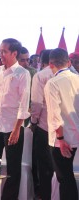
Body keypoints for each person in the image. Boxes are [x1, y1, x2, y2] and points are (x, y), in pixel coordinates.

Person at [0, 38, 31, 200]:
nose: (0, 54)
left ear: (14, 53)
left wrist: (17, 129)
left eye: (4, 51)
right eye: (0, 51)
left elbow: (24, 104)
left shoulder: (22, 74)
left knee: (13, 168)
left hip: (13, 126)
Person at [44, 48, 79, 200]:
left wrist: (60, 139)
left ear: (50, 64)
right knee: (66, 176)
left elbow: (54, 114)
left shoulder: (52, 83)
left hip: (62, 138)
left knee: (64, 177)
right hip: (75, 134)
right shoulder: (77, 78)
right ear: (69, 62)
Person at [30, 49, 53, 200]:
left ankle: (46, 196)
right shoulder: (73, 76)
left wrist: (33, 121)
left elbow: (36, 104)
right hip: (67, 129)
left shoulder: (40, 76)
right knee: (62, 168)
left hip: (44, 127)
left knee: (45, 167)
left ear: (42, 62)